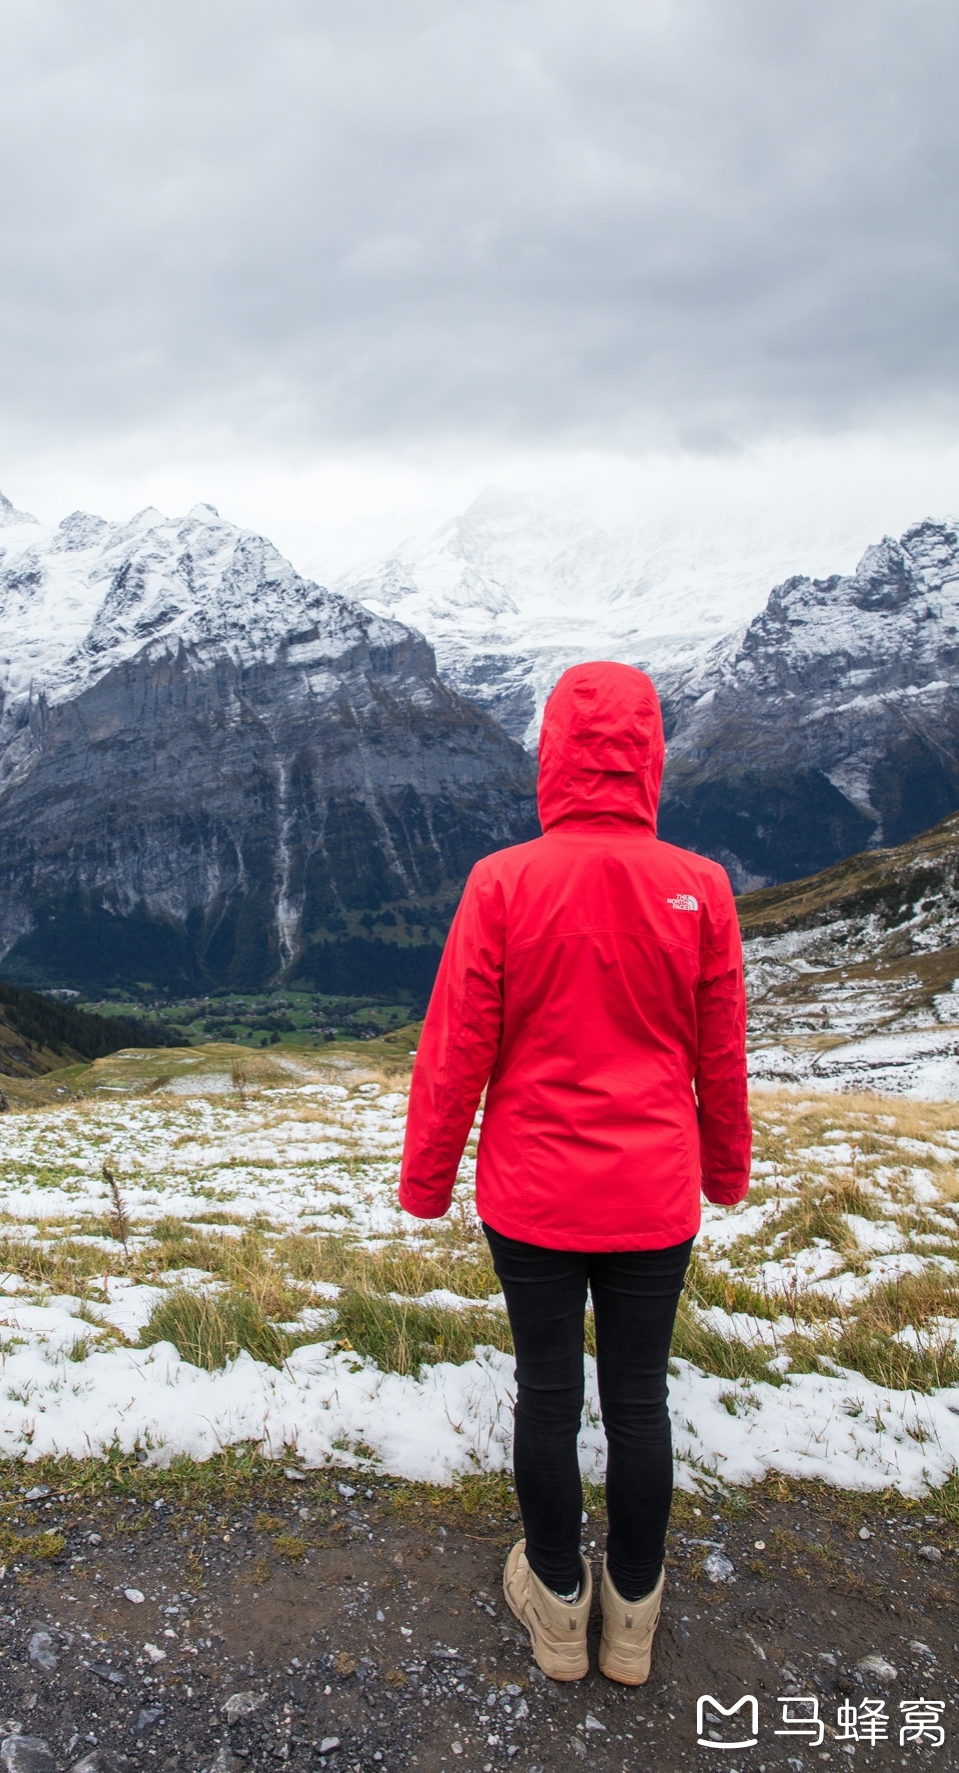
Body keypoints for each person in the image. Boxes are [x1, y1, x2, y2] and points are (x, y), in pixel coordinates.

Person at [398, 660, 750, 1687]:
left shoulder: (502, 883)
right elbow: (719, 1058)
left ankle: (557, 1604)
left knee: (547, 1391)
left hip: (533, 1193)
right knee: (638, 1396)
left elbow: (456, 1045)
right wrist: (723, 1172)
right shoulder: (703, 887)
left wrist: (427, 1180)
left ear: (552, 753)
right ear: (650, 757)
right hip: (652, 1195)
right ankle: (631, 1618)